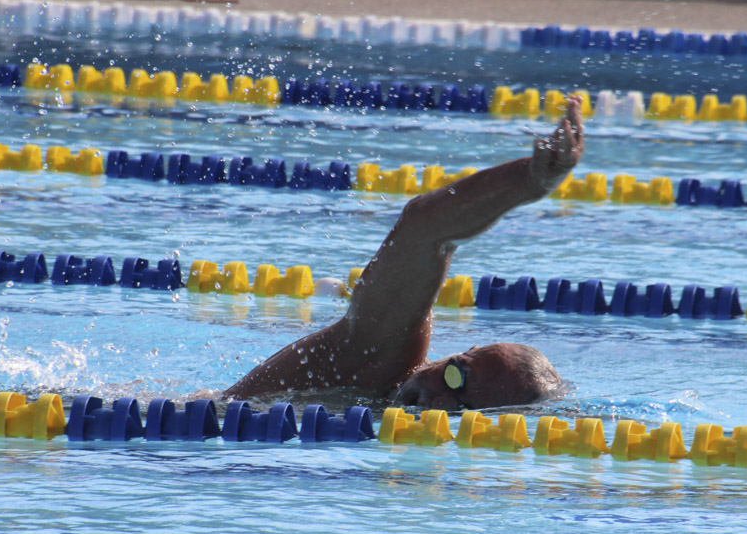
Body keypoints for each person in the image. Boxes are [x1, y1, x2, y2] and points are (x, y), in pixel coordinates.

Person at [226, 97, 585, 410]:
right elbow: (425, 230)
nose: (441, 400)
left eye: (464, 411)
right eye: (456, 376)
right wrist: (531, 182)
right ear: (461, 353)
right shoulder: (379, 354)